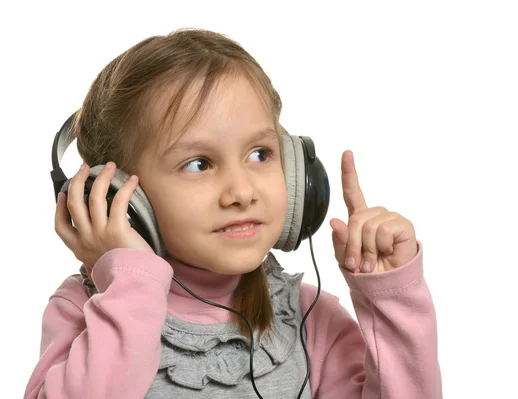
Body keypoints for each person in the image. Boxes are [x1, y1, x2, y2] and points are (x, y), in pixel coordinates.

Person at [24, 28, 442, 398]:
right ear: (117, 197)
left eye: (260, 154)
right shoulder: (82, 310)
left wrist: (391, 300)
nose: (242, 192)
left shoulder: (310, 319)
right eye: (199, 164)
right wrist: (131, 283)